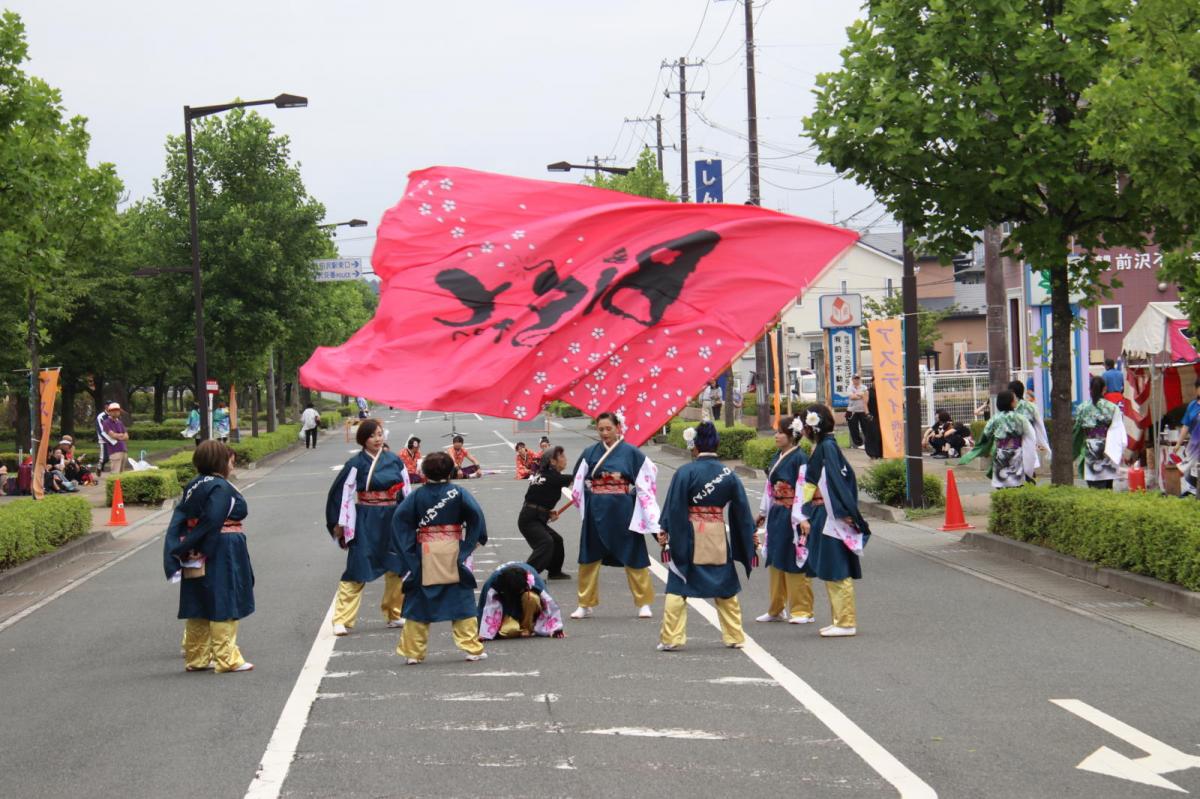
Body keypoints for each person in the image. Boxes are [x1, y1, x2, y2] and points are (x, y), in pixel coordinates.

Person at [656, 422, 756, 651]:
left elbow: (673, 506)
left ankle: (671, 637)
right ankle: (735, 635)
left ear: (695, 446)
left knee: (678, 586)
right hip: (716, 533)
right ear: (717, 444)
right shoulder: (728, 474)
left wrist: (666, 529)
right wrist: (749, 535)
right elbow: (741, 511)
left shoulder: (685, 472)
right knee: (725, 584)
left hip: (688, 534)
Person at [162, 440, 255, 673]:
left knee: (199, 602)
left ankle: (196, 657)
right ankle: (227, 657)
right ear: (220, 461)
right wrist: (205, 546)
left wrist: (186, 547)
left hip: (196, 546)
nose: (232, 464)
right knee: (225, 597)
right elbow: (214, 519)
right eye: (229, 459)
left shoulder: (194, 484)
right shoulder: (220, 486)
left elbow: (180, 519)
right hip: (221, 546)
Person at [389, 451, 488, 664]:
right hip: (453, 550)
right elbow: (476, 517)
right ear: (451, 470)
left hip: (424, 552)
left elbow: (400, 522)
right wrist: (470, 544)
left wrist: (409, 552)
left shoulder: (416, 496)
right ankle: (472, 648)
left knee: (418, 602)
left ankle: (413, 653)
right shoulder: (458, 492)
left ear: (424, 472)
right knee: (461, 600)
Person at [568, 412, 660, 620]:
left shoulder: (631, 453)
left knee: (633, 554)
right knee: (589, 557)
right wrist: (588, 496)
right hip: (596, 509)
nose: (604, 433)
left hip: (623, 509)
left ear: (618, 427)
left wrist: (637, 497)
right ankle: (585, 603)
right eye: (600, 429)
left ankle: (643, 602)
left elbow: (648, 476)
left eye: (608, 429)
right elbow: (578, 479)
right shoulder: (590, 452)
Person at [324, 418, 411, 637]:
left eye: (380, 434)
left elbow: (406, 491)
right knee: (358, 565)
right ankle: (341, 618)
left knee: (396, 566)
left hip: (392, 516)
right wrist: (340, 523)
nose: (377, 439)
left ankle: (393, 613)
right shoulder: (356, 464)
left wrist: (410, 519)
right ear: (363, 439)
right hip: (366, 518)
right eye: (372, 435)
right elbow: (342, 492)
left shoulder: (394, 461)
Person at [795, 404, 871, 638]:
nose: (803, 429)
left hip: (832, 514)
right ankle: (839, 618)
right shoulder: (824, 446)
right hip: (825, 513)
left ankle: (846, 621)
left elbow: (836, 482)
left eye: (805, 424)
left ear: (812, 425)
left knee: (837, 568)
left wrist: (844, 511)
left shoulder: (826, 447)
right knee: (830, 567)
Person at [754, 416, 814, 624]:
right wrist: (763, 512)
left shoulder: (800, 458)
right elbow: (769, 487)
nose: (776, 436)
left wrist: (802, 516)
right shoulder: (778, 456)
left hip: (793, 512)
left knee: (794, 559)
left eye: (780, 432)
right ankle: (776, 608)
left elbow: (803, 489)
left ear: (792, 436)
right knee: (776, 558)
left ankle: (802, 610)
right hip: (777, 512)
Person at [959, 390, 1037, 489]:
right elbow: (1030, 436)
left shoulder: (995, 418)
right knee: (1017, 483)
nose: (1016, 401)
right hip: (1016, 454)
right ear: (1011, 402)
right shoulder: (1021, 418)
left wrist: (983, 447)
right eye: (1014, 399)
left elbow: (986, 434)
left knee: (1002, 484)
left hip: (1000, 454)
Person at [518, 445, 574, 580]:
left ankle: (554, 571)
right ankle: (525, 576)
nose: (565, 459)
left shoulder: (544, 476)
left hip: (534, 516)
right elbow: (577, 477)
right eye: (561, 456)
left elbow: (535, 498)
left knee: (556, 540)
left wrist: (547, 513)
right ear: (552, 461)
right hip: (529, 520)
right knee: (546, 542)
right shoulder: (551, 476)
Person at [476, 561, 566, 640]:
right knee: (510, 630)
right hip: (506, 609)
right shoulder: (494, 582)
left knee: (531, 598)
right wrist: (484, 633)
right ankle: (517, 627)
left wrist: (555, 629)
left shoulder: (533, 578)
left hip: (526, 608)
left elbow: (549, 603)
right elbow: (486, 607)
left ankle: (527, 627)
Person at [1073, 375, 1123, 490]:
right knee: (1108, 486)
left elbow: (1076, 432)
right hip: (1108, 448)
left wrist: (1074, 451)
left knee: (1094, 486)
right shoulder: (1112, 408)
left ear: (1090, 389)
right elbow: (1118, 431)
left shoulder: (1082, 408)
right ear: (1104, 389)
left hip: (1090, 448)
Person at [1009, 380, 1051, 479]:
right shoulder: (1031, 406)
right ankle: (1029, 485)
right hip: (1028, 441)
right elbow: (1040, 425)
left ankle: (1026, 486)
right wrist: (1043, 441)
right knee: (1028, 468)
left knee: (1020, 469)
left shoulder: (1009, 407)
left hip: (1016, 442)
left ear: (1013, 392)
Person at [1175, 378, 1200, 498]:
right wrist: (1178, 443)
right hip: (1194, 447)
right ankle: (1194, 494)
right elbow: (1186, 425)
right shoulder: (1192, 405)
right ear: (1196, 390)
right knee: (1188, 472)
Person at [98, 402, 130, 475]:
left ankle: (119, 487)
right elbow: (112, 435)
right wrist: (121, 435)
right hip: (114, 450)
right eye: (113, 410)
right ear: (109, 412)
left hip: (123, 449)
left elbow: (127, 436)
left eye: (117, 410)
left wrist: (118, 436)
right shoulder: (106, 422)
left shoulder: (120, 422)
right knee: (115, 473)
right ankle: (113, 486)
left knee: (122, 474)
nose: (116, 412)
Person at [845, 375, 868, 449]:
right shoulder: (849, 387)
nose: (856, 380)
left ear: (860, 379)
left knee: (866, 427)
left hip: (863, 410)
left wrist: (857, 395)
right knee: (853, 428)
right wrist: (860, 395)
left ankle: (867, 443)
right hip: (852, 410)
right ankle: (858, 444)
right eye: (855, 379)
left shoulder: (864, 387)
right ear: (852, 379)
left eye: (858, 378)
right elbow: (852, 397)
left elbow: (865, 396)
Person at [863, 380, 883, 459]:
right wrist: (867, 414)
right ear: (872, 381)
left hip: (881, 416)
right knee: (872, 434)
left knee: (880, 435)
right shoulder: (868, 392)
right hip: (872, 416)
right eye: (875, 381)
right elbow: (864, 403)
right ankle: (872, 453)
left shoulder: (882, 391)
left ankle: (880, 453)